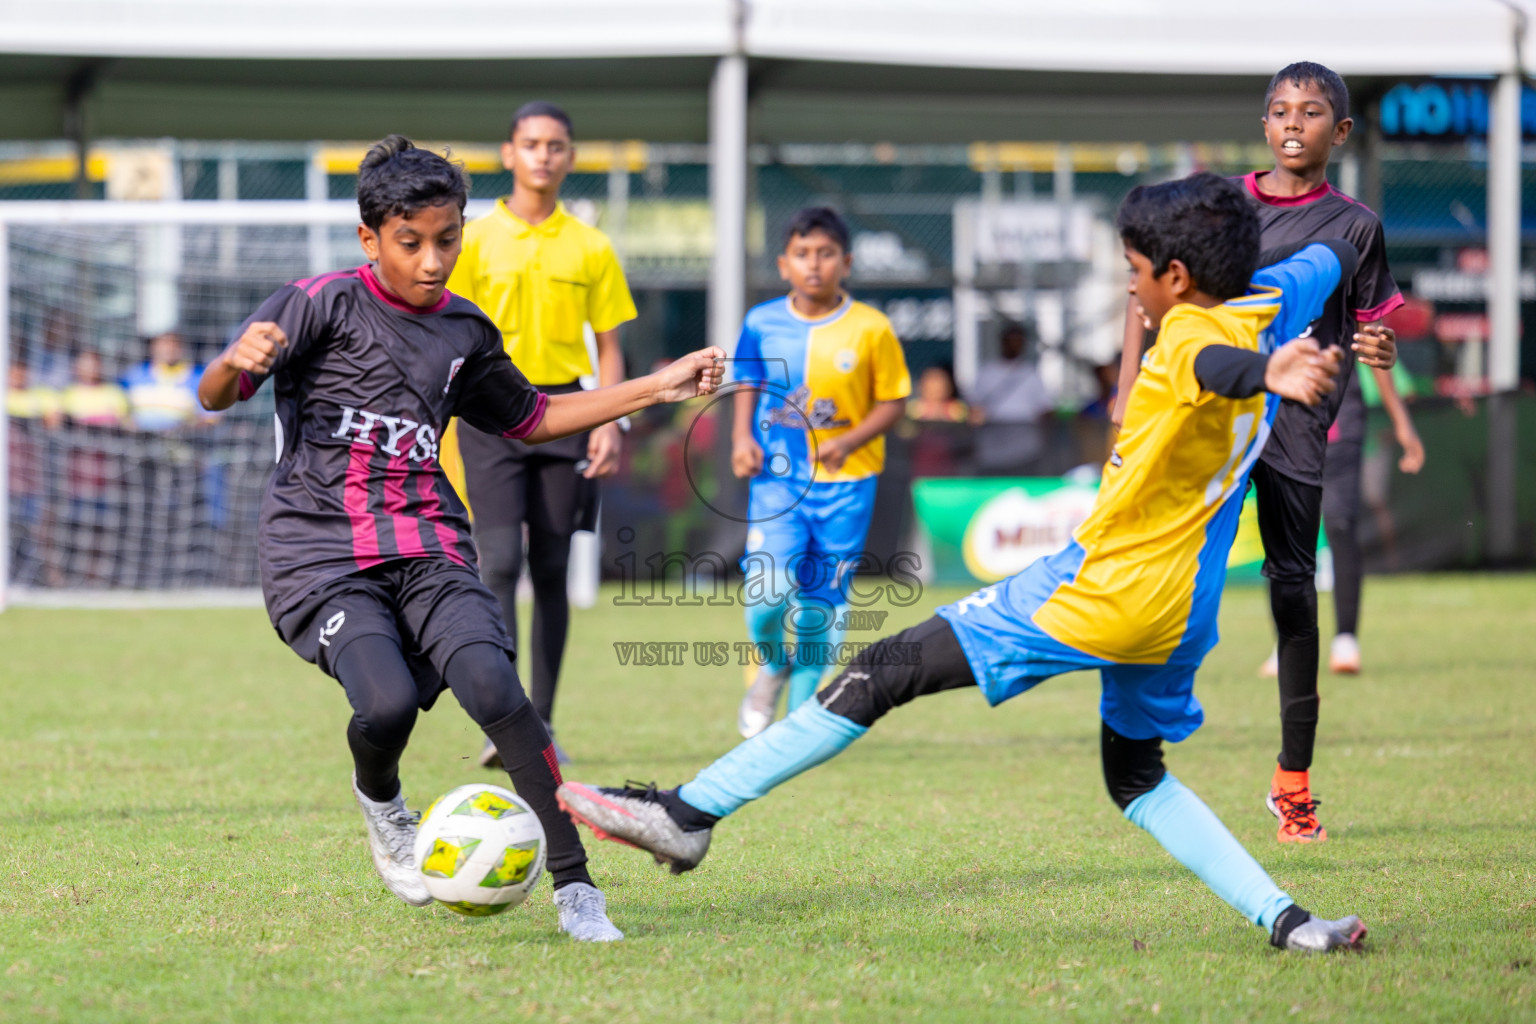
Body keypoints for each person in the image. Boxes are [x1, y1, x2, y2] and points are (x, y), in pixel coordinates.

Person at [558, 174, 1370, 955]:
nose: (1131, 291)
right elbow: (1336, 245)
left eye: (1134, 272)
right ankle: (1290, 920)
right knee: (1137, 777)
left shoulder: (1190, 335)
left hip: (1101, 588)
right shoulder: (1271, 299)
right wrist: (1315, 322)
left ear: (1179, 275)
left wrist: (1263, 371)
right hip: (1182, 611)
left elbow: (1207, 364)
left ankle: (688, 815)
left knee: (878, 672)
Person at [196, 135, 724, 943]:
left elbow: (536, 416)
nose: (434, 259)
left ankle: (577, 889)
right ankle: (383, 803)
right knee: (387, 704)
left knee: (496, 690)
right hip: (320, 552)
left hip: (431, 544)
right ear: (370, 238)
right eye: (412, 243)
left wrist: (656, 386)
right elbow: (214, 394)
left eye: (449, 238)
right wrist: (236, 361)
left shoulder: (466, 334)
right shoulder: (315, 303)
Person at [1112, 62, 1401, 845]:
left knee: (1292, 591)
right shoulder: (1223, 206)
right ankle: (1135, 744)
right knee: (1169, 576)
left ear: (1339, 132)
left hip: (1300, 426)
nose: (1293, 124)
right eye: (1280, 111)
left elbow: (1373, 323)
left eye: (1311, 113)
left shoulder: (1357, 226)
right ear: (1265, 125)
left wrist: (1378, 340)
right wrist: (1125, 385)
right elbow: (1150, 286)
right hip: (1213, 414)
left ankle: (1294, 784)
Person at [443, 101, 638, 770]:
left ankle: (544, 719)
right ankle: (506, 718)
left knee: (552, 568)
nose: (544, 155)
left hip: (567, 415)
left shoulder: (592, 245)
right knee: (496, 564)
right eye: (532, 144)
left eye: (556, 145)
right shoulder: (472, 240)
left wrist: (611, 420)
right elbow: (450, 328)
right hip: (489, 413)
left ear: (570, 157)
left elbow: (611, 346)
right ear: (509, 154)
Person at [731, 207, 911, 738]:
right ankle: (772, 665)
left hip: (848, 486)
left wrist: (850, 440)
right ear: (785, 263)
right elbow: (745, 383)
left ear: (846, 262)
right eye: (803, 254)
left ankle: (800, 726)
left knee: (820, 606)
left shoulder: (872, 328)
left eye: (826, 254)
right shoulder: (761, 322)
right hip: (778, 484)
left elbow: (894, 401)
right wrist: (742, 437)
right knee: (766, 596)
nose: (814, 265)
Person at [1320, 362, 1423, 673]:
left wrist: (1402, 423)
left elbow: (1376, 346)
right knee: (1284, 530)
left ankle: (1345, 640)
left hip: (1340, 419)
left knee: (1341, 524)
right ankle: (1285, 643)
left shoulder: (1353, 318)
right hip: (1284, 417)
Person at [967, 322, 1054, 475]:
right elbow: (974, 407)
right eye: (1010, 340)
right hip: (992, 444)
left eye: (1018, 341)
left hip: (1025, 447)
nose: (1014, 345)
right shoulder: (987, 371)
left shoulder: (1030, 373)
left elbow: (1044, 408)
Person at [123, 330, 205, 431]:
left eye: (173, 345)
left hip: (181, 439)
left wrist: (191, 427)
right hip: (137, 438)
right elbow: (118, 405)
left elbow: (210, 416)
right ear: (153, 348)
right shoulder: (135, 374)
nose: (169, 350)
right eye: (164, 345)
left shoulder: (197, 377)